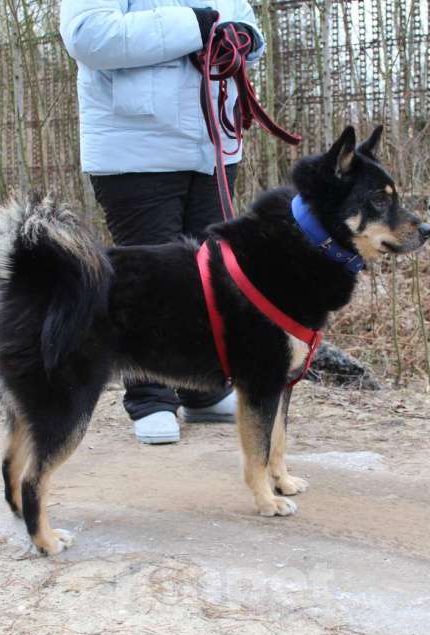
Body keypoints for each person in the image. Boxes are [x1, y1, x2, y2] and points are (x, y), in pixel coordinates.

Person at [60, 0, 266, 444]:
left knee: (212, 276)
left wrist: (245, 39)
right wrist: (194, 24)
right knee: (149, 280)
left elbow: (242, 20)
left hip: (213, 143)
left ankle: (204, 389)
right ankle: (150, 398)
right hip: (136, 147)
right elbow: (88, 36)